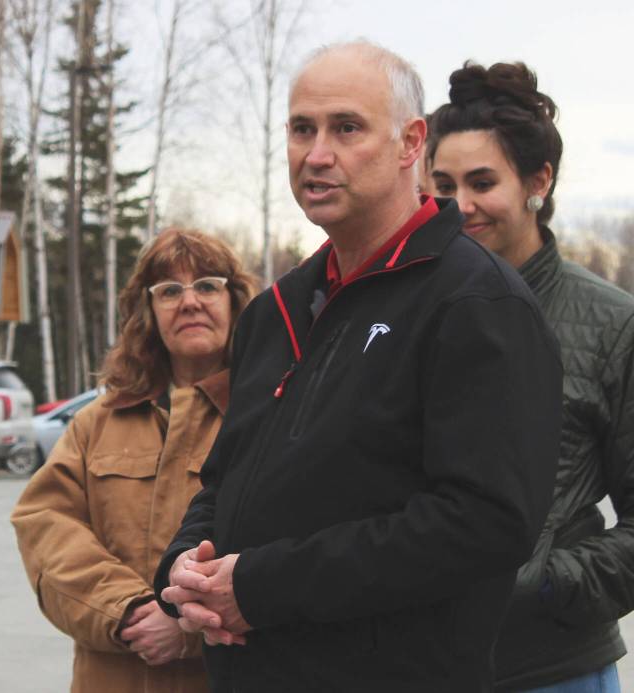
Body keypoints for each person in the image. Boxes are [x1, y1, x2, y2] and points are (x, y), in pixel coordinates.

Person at [153, 40, 563, 692]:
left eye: (346, 128)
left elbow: (484, 522)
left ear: (410, 143)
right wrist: (183, 571)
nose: (317, 154)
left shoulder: (476, 303)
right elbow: (224, 482)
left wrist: (261, 587)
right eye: (301, 129)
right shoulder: (273, 310)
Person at [427, 61, 634, 693]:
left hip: (553, 668)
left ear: (538, 180)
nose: (459, 206)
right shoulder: (408, 310)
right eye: (442, 184)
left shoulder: (611, 324)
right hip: (417, 665)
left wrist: (542, 581)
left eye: (482, 182)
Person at [11, 228, 256, 693]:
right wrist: (124, 610)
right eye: (169, 291)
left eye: (207, 286)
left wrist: (183, 624)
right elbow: (44, 523)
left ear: (236, 303)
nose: (189, 302)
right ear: (149, 312)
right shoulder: (97, 423)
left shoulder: (270, 414)